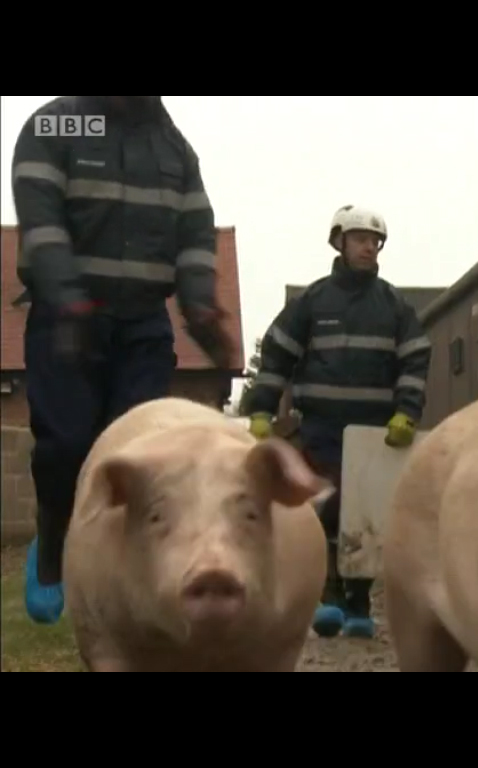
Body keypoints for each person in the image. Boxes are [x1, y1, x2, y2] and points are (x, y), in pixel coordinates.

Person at [11, 96, 234, 625]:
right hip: (67, 313)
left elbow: (196, 231)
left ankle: (124, 571)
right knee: (65, 442)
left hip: (142, 323)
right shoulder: (55, 124)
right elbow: (41, 218)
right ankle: (51, 540)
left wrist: (200, 305)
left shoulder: (174, 147)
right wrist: (65, 296)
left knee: (136, 452)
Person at [245, 205, 432, 639]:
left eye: (375, 241)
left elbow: (415, 361)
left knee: (364, 515)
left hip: (375, 435)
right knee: (324, 511)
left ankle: (359, 604)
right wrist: (260, 407)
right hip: (323, 429)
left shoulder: (395, 306)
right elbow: (276, 357)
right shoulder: (313, 302)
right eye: (361, 239)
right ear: (340, 243)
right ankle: (328, 598)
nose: (369, 247)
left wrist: (407, 411)